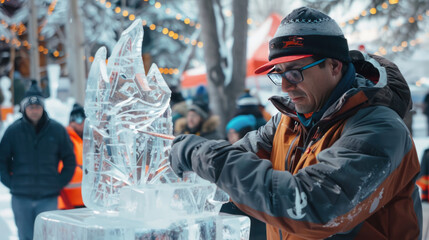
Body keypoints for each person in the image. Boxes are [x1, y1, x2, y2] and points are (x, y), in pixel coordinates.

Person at [169, 7, 422, 239]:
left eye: (295, 72)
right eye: (279, 73)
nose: (286, 86)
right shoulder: (287, 122)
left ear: (334, 66)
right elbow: (237, 162)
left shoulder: (380, 128)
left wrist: (210, 159)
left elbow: (314, 205)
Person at [0, 80, 76, 240]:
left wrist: (59, 182)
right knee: (25, 236)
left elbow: (70, 159)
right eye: (30, 107)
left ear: (43, 107)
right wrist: (11, 182)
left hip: (48, 197)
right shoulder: (13, 131)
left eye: (37, 107)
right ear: (24, 108)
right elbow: (2, 159)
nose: (34, 111)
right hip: (21, 198)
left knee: (47, 236)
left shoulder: (56, 130)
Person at [221, 114, 267, 239]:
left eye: (233, 133)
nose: (230, 137)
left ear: (243, 133)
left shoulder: (255, 156)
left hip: (255, 224)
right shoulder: (230, 152)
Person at [58, 103, 86, 209]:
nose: (82, 123)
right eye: (79, 119)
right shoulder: (67, 140)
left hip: (87, 200)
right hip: (69, 201)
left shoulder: (87, 139)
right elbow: (61, 168)